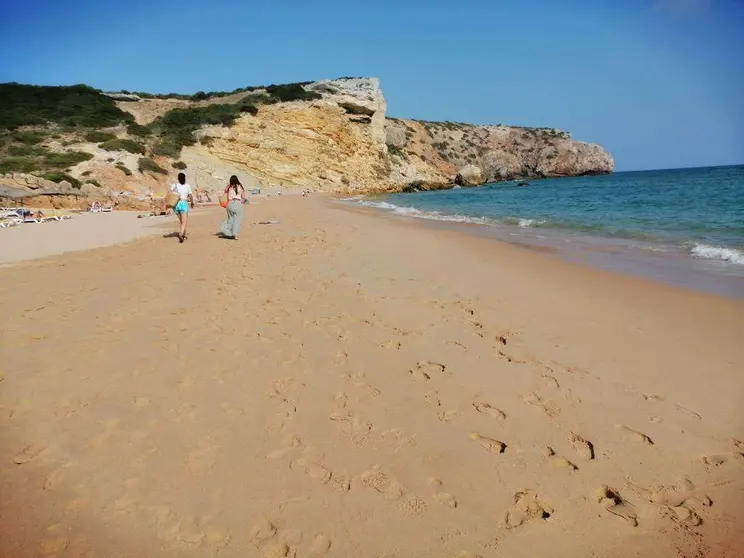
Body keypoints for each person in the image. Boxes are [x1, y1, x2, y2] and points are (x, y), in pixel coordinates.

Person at [220, 175, 246, 240]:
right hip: (238, 204)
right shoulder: (240, 186)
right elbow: (243, 197)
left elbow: (225, 193)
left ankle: (227, 231)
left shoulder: (228, 186)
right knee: (237, 220)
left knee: (230, 219)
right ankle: (235, 235)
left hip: (230, 204)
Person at [170, 172, 194, 243]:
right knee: (184, 221)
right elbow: (190, 196)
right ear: (185, 178)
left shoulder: (174, 185)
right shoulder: (187, 186)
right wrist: (192, 203)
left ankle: (184, 234)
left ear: (178, 178)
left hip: (176, 204)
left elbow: (169, 192)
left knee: (181, 221)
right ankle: (181, 234)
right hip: (183, 203)